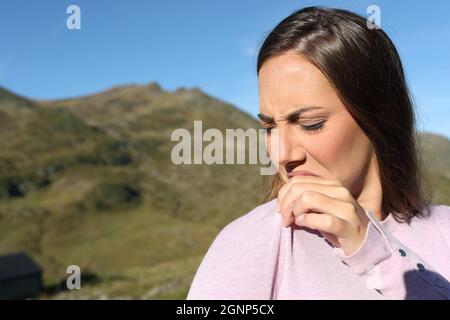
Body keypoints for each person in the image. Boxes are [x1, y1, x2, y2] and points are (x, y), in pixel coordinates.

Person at [187, 6, 450, 300]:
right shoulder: (250, 242)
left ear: (379, 115)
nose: (281, 154)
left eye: (310, 124)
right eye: (270, 126)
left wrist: (374, 254)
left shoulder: (445, 231)